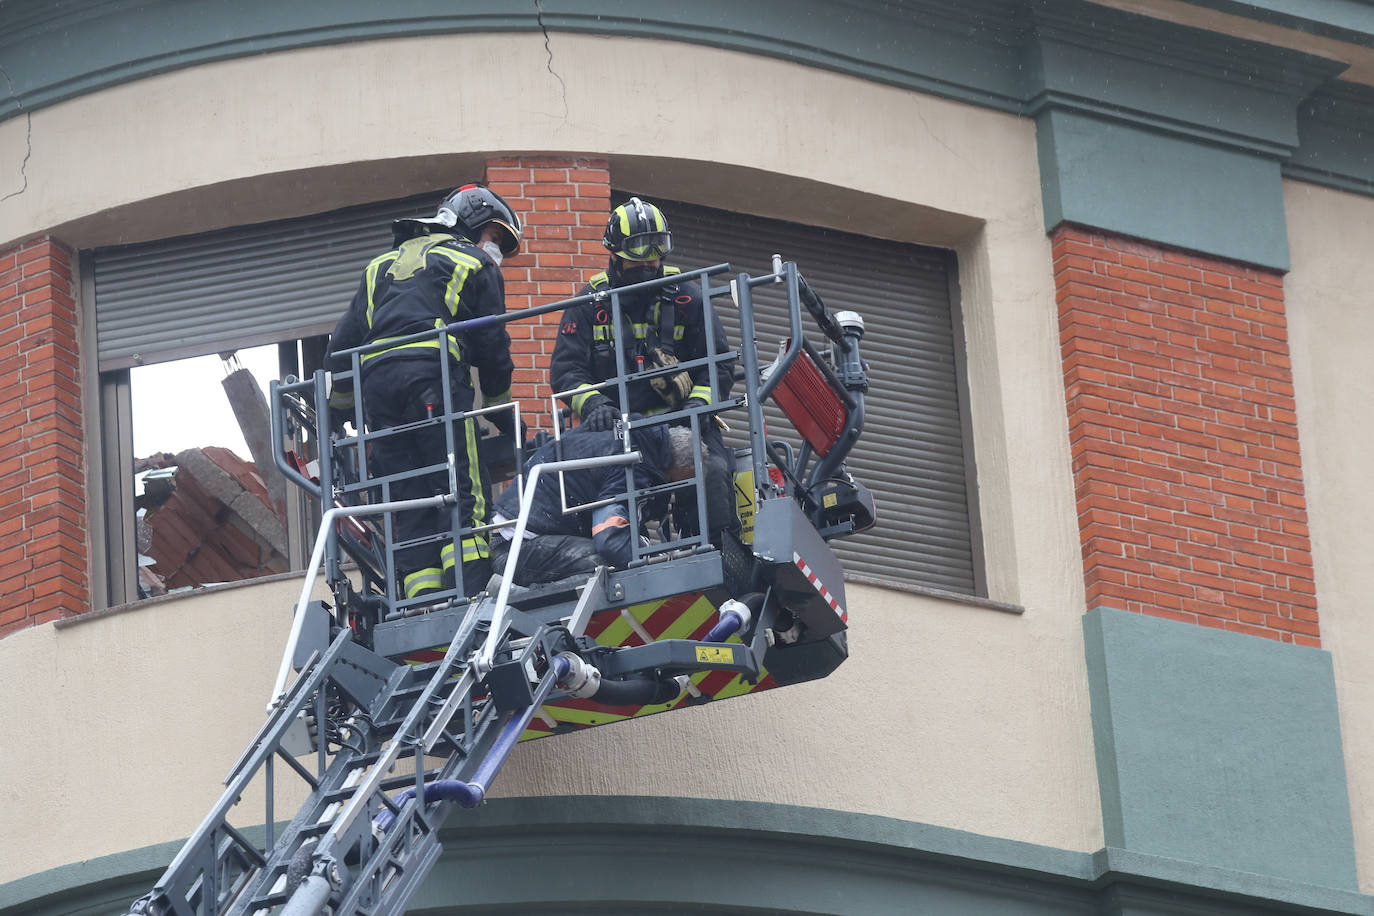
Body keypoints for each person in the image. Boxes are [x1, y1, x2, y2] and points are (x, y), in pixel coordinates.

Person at [325, 184, 522, 600]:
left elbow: (342, 346)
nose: (496, 249)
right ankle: (468, 592)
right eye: (495, 237)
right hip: (433, 379)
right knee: (460, 485)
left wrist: (336, 409)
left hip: (378, 394)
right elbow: (491, 346)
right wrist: (503, 413)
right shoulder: (473, 261)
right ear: (471, 224)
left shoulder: (378, 266)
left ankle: (422, 602)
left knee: (408, 497)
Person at [549, 197, 734, 432]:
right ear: (614, 255)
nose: (648, 262)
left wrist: (698, 404)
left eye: (655, 252)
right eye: (637, 253)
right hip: (614, 430)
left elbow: (719, 363)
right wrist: (595, 405)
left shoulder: (687, 297)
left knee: (716, 467)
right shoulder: (588, 304)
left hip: (685, 425)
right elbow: (566, 370)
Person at [488, 423, 700, 586]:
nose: (671, 488)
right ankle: (519, 594)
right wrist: (656, 565)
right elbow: (610, 539)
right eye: (675, 481)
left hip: (524, 539)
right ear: (675, 464)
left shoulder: (631, 444)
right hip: (515, 550)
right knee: (607, 565)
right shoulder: (631, 464)